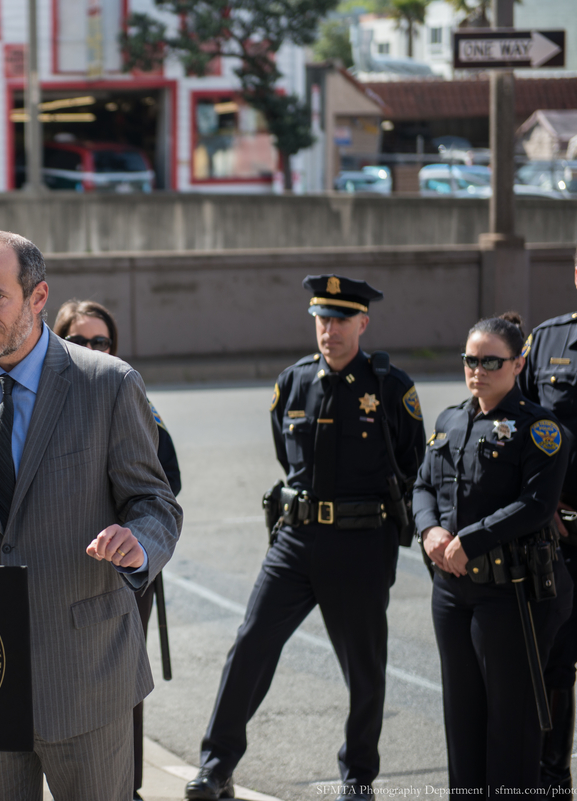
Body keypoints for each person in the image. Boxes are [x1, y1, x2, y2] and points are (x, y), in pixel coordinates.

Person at [0, 230, 182, 801]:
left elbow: (155, 504)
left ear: (38, 296)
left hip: (86, 673)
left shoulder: (107, 384)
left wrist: (137, 542)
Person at [184, 275, 425, 801]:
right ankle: (216, 766)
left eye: (341, 319)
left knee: (364, 671)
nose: (330, 330)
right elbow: (285, 455)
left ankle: (358, 778)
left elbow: (412, 465)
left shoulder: (389, 387)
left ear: (363, 322)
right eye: (322, 318)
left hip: (361, 545)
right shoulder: (292, 384)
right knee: (250, 647)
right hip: (295, 542)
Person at [415, 313, 572, 794]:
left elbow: (536, 505)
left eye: (490, 361)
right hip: (451, 591)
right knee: (461, 719)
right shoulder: (450, 420)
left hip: (510, 594)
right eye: (470, 360)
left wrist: (470, 540)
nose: (477, 369)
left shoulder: (540, 428)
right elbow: (422, 486)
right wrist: (430, 533)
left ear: (518, 363)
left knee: (511, 725)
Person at [52, 299, 181, 801]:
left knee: (116, 683)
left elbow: (165, 483)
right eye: (78, 340)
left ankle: (125, 786)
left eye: (100, 341)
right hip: (52, 569)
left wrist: (132, 534)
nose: (90, 349)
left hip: (119, 571)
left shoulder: (127, 395)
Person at [518, 227, 577, 796]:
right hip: (563, 535)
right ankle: (551, 783)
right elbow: (514, 427)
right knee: (554, 666)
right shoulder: (546, 343)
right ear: (576, 274)